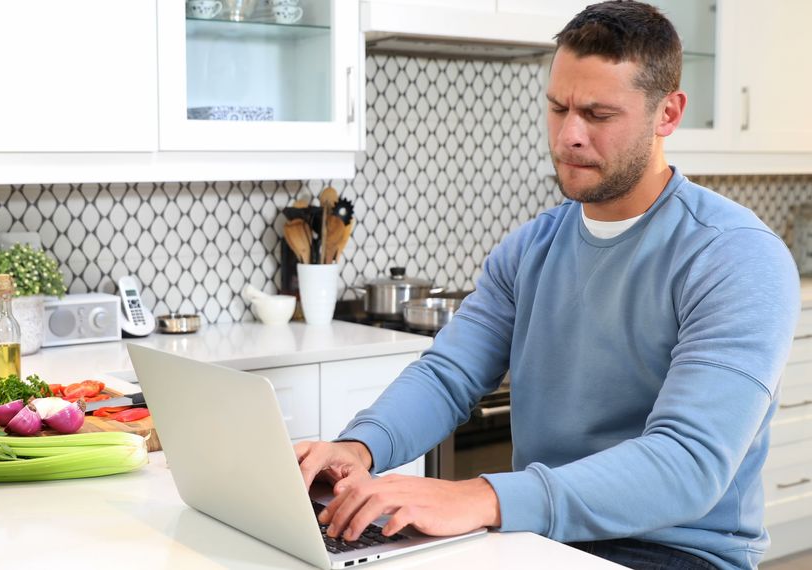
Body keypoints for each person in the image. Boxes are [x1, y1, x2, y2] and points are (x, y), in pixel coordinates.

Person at [294, 2, 800, 569]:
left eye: (598, 114)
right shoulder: (531, 247)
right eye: (557, 108)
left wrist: (479, 496)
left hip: (673, 550)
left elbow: (687, 463)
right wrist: (358, 447)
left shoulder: (736, 256)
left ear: (668, 114)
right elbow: (449, 374)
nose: (569, 136)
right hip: (538, 537)